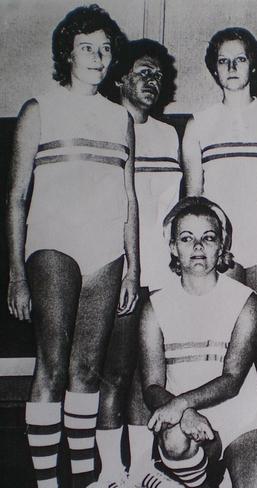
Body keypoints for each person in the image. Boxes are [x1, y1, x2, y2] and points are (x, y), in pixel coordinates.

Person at [5, 5, 137, 487]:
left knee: (87, 370)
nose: (97, 56)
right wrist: (16, 272)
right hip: (52, 244)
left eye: (104, 48)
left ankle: (82, 477)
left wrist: (134, 268)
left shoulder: (119, 117)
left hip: (106, 248)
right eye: (87, 47)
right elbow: (16, 197)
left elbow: (130, 198)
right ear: (68, 52)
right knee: (54, 363)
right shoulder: (39, 108)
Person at [139, 196, 257, 488]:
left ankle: (232, 471)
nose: (197, 247)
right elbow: (152, 386)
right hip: (186, 420)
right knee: (175, 439)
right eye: (186, 238)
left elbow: (231, 380)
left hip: (242, 416)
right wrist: (186, 412)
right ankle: (200, 479)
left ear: (221, 247)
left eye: (208, 238)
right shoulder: (155, 306)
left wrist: (181, 404)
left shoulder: (245, 300)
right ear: (173, 248)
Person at [183, 27, 257, 400]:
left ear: (252, 65)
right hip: (220, 247)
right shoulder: (199, 123)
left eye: (239, 59)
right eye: (222, 60)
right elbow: (193, 200)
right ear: (214, 68)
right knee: (225, 347)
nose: (231, 66)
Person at [97, 39, 182, 487]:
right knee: (115, 370)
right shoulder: (106, 126)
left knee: (149, 375)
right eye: (143, 73)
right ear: (119, 78)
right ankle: (112, 474)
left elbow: (175, 209)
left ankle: (144, 469)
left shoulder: (169, 135)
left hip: (163, 274)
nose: (152, 82)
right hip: (121, 270)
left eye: (158, 76)